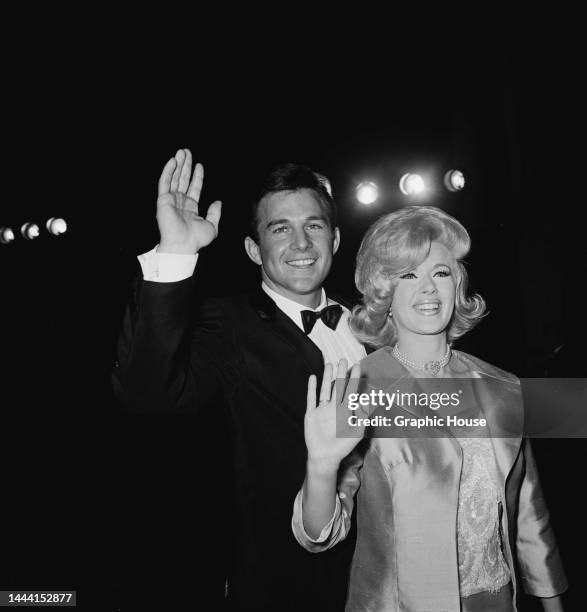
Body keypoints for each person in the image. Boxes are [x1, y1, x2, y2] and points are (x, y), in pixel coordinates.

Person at [114, 149, 365, 611]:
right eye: (279, 229)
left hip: (386, 575)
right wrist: (176, 251)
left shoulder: (372, 323)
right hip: (285, 584)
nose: (301, 242)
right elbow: (146, 393)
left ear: (334, 239)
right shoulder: (228, 325)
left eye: (313, 225)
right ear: (254, 249)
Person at [292, 206, 568, 611]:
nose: (427, 288)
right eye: (408, 274)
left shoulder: (504, 386)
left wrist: (553, 603)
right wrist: (319, 467)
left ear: (457, 284)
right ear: (384, 290)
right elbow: (319, 536)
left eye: (440, 273)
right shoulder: (360, 388)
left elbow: (529, 510)